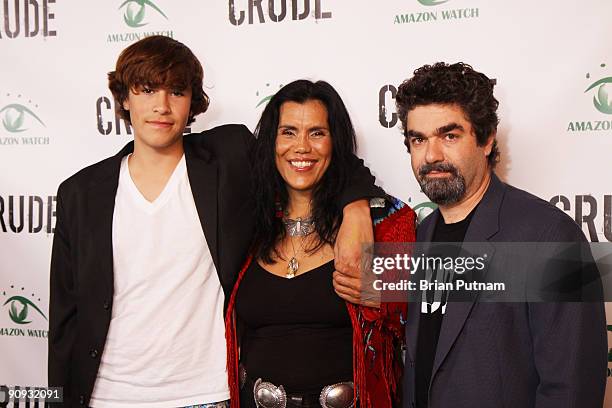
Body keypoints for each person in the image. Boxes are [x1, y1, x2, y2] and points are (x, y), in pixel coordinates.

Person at [48, 36, 381, 407]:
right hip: (107, 395)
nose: (161, 106)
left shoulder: (229, 158)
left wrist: (356, 209)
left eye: (176, 91)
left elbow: (315, 154)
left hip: (207, 394)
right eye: (146, 89)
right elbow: (65, 321)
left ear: (193, 102)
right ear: (124, 98)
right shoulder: (81, 193)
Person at [396, 62, 607, 408]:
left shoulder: (549, 237)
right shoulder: (422, 236)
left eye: (449, 136)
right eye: (418, 139)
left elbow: (571, 389)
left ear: (487, 138)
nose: (431, 155)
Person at [224, 80, 416, 408]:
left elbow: (421, 315)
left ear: (334, 142)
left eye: (316, 133)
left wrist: (386, 291)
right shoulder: (248, 222)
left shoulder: (384, 222)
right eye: (288, 132)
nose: (301, 147)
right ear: (271, 142)